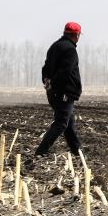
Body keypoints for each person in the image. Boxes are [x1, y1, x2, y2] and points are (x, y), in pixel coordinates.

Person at [35, 21, 84, 157]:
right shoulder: (70, 50)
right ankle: (40, 152)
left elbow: (45, 68)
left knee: (68, 123)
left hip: (54, 92)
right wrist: (53, 83)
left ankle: (77, 151)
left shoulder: (54, 46)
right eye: (79, 35)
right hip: (64, 93)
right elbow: (65, 72)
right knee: (61, 123)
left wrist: (47, 80)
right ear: (76, 35)